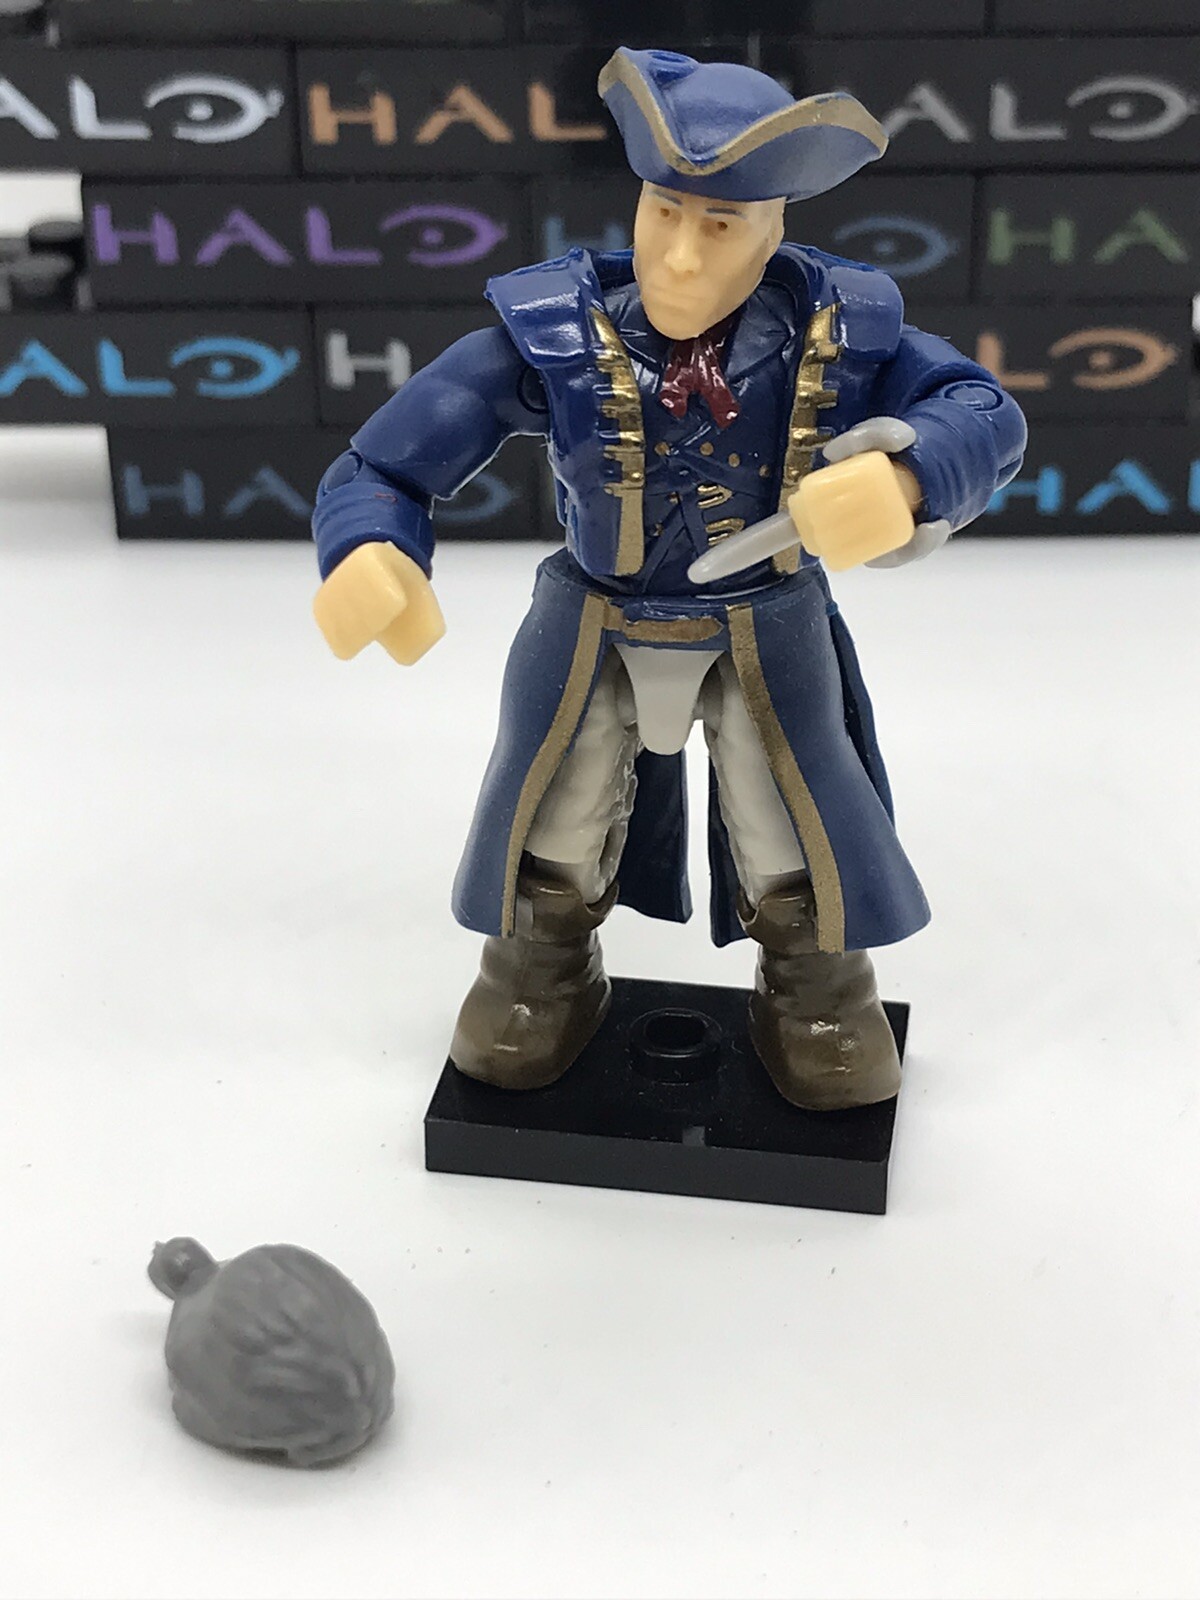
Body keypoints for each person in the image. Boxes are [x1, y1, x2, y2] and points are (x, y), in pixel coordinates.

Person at [310, 47, 1027, 1112]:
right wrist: (372, 547)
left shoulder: (840, 333)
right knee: (554, 807)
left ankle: (816, 986)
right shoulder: (559, 331)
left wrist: (912, 475)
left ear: (773, 228)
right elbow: (384, 461)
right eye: (665, 213)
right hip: (594, 622)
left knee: (790, 814)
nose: (682, 257)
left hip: (763, 625)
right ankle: (542, 971)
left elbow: (985, 414)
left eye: (722, 225)